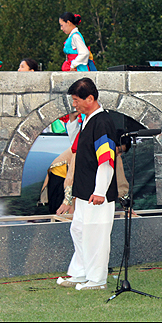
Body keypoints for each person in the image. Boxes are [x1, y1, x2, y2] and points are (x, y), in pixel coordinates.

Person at [56, 77, 118, 291]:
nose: (74, 104)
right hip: (84, 192)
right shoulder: (88, 119)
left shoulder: (102, 123)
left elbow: (106, 161)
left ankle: (97, 279)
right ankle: (80, 272)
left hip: (97, 193)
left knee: (96, 235)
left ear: (90, 98)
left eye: (76, 100)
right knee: (80, 230)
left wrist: (100, 191)